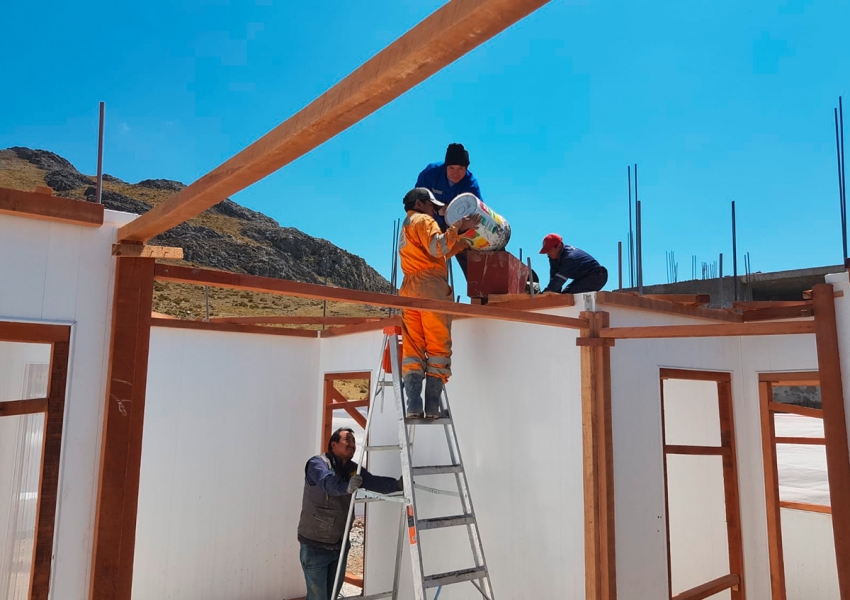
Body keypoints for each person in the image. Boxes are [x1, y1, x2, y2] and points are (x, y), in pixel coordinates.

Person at [399, 188, 480, 418]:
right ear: (421, 203)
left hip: (409, 289)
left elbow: (435, 253)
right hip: (430, 288)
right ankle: (432, 405)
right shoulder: (424, 220)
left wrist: (462, 241)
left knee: (413, 349)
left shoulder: (407, 224)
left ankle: (413, 405)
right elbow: (438, 247)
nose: (435, 211)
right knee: (437, 346)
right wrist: (458, 227)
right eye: (432, 206)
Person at [297, 427, 402, 600]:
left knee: (332, 595)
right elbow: (327, 482)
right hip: (315, 546)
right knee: (318, 598)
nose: (352, 444)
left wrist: (396, 485)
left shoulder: (353, 470)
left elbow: (373, 482)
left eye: (354, 441)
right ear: (333, 444)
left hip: (339, 545)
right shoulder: (317, 464)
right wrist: (345, 487)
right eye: (347, 440)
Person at [415, 143, 482, 277]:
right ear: (445, 166)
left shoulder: (471, 184)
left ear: (467, 168)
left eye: (460, 169)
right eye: (451, 168)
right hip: (430, 224)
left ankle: (479, 290)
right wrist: (438, 209)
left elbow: (478, 214)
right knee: (426, 258)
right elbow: (417, 201)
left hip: (458, 228)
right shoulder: (431, 173)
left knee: (470, 253)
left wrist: (465, 226)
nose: (455, 173)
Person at [539, 233, 608, 294]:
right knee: (564, 295)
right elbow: (554, 279)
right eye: (546, 251)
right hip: (583, 277)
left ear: (559, 246)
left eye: (550, 250)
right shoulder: (554, 258)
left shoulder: (570, 257)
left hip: (597, 276)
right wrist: (549, 294)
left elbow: (559, 280)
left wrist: (545, 294)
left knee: (569, 296)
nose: (548, 254)